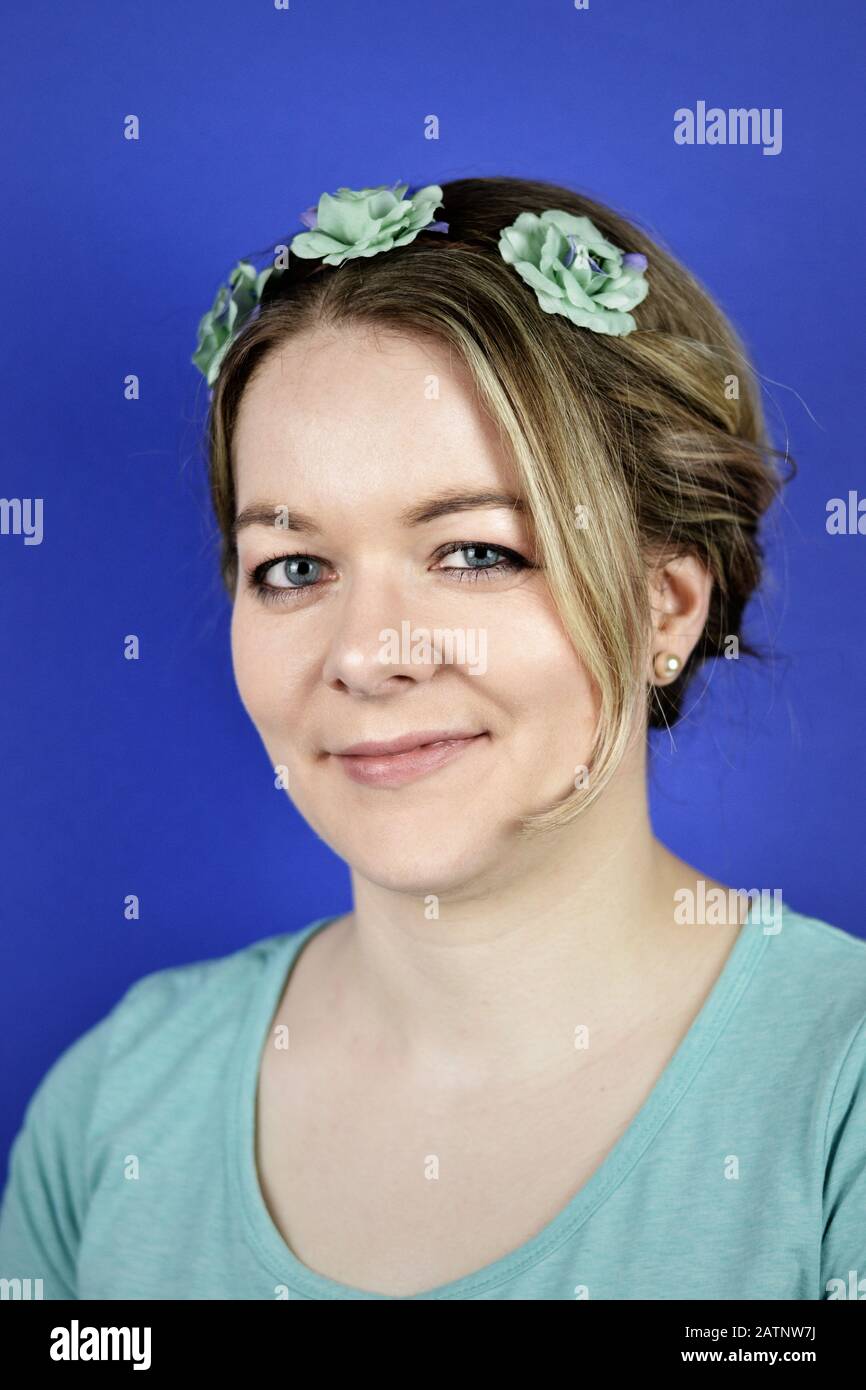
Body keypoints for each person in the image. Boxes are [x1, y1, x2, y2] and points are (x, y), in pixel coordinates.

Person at [1, 176, 864, 1302]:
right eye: (293, 567)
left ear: (665, 604)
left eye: (474, 552)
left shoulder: (836, 1094)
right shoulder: (114, 1099)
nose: (366, 653)